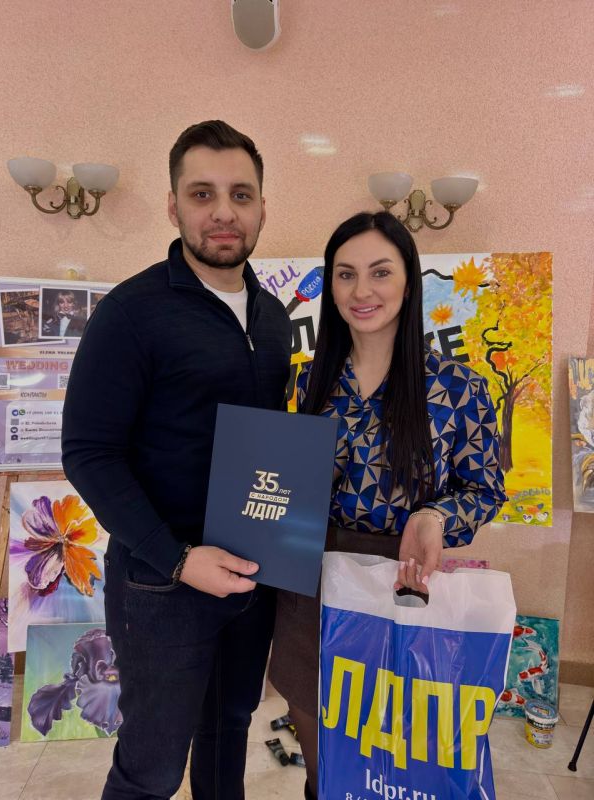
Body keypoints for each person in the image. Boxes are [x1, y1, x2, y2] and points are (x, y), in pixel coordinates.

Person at [61, 120, 292, 800]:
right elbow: (88, 452)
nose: (223, 212)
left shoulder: (274, 318)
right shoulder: (131, 313)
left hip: (252, 574)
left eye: (241, 195)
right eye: (202, 194)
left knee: (228, 735)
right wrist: (178, 558)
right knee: (152, 767)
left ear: (262, 208)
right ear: (173, 206)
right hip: (161, 584)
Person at [269, 211, 506, 800]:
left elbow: (484, 488)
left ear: (408, 281)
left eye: (380, 272)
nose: (361, 291)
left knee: (402, 762)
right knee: (327, 764)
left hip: (404, 586)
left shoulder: (457, 386)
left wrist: (434, 516)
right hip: (312, 590)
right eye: (345, 274)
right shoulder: (303, 384)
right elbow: (274, 484)